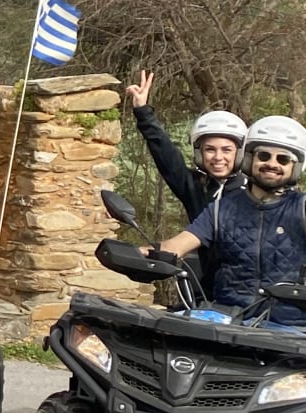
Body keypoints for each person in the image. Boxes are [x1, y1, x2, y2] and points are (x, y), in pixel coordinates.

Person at [151, 116, 306, 329]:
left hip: (290, 326)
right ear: (249, 158)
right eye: (264, 156)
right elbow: (176, 246)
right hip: (227, 319)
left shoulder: (301, 207)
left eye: (283, 159)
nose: (272, 164)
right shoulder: (221, 208)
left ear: (295, 167)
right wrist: (141, 254)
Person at [124, 70, 247, 298]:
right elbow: (166, 155)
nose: (218, 157)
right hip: (211, 293)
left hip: (253, 293)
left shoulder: (253, 191)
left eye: (226, 150)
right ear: (200, 154)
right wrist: (143, 112)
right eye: (210, 149)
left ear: (239, 153)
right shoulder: (196, 187)